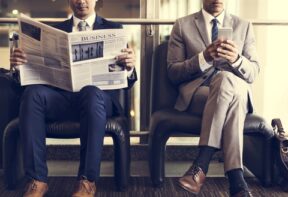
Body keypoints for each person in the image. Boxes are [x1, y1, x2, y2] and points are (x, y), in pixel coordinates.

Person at [10, 0, 137, 196]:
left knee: (91, 92)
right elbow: (34, 75)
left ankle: (86, 181)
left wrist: (129, 68)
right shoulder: (54, 31)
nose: (81, 1)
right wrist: (19, 67)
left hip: (97, 100)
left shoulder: (114, 29)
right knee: (32, 94)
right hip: (62, 98)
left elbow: (127, 81)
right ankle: (37, 180)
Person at [167, 0, 259, 196]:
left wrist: (237, 59)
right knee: (228, 89)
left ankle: (201, 164)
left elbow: (253, 72)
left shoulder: (244, 25)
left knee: (226, 80)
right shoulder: (182, 25)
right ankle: (236, 177)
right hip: (199, 93)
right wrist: (203, 58)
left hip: (236, 91)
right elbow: (173, 73)